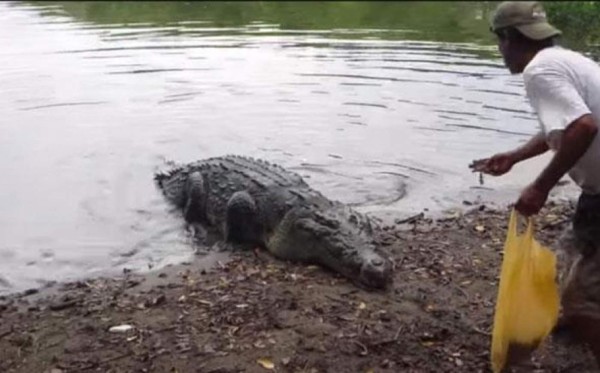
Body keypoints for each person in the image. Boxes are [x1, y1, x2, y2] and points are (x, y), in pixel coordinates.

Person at [469, 0, 600, 364]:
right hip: (595, 196)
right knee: (562, 264)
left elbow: (584, 126)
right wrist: (515, 157)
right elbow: (562, 126)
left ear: (510, 37)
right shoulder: (566, 60)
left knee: (582, 301)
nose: (500, 51)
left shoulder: (539, 72)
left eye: (499, 41)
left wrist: (540, 187)